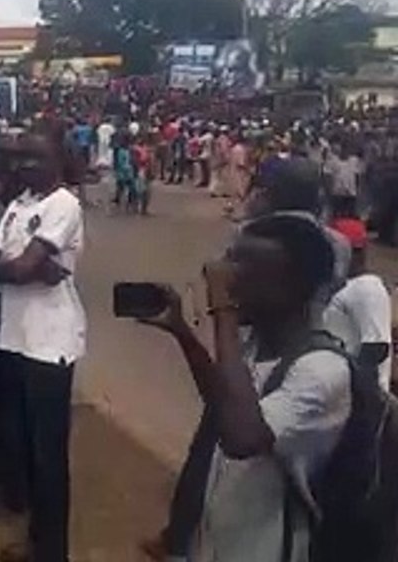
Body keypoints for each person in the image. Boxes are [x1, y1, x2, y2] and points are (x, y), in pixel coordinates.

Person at [140, 215, 347, 561]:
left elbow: (242, 437)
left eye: (244, 272)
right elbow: (224, 405)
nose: (230, 281)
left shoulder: (322, 370)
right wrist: (182, 333)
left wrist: (224, 309)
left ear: (294, 287)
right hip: (222, 540)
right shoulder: (257, 347)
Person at [0, 131, 87, 562]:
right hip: (16, 335)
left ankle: (52, 553)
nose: (26, 165)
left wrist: (23, 267)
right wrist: (23, 267)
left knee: (49, 457)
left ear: (59, 160)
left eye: (36, 156)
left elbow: (19, 268)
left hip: (51, 343)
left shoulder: (62, 204)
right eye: (22, 157)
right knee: (26, 446)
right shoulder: (19, 204)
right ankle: (35, 543)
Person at [325, 217, 392, 391]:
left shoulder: (367, 287)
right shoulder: (340, 284)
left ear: (357, 252)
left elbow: (376, 347)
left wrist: (357, 391)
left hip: (361, 395)